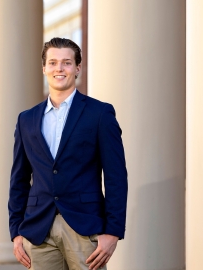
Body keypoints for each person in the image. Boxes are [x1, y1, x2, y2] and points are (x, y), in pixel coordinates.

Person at [8, 37, 128, 270]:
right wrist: (15, 231)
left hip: (85, 227)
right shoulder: (27, 119)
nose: (59, 69)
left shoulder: (100, 113)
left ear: (77, 68)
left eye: (66, 63)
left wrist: (113, 231)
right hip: (38, 229)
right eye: (52, 63)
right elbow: (18, 179)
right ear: (44, 68)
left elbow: (116, 177)